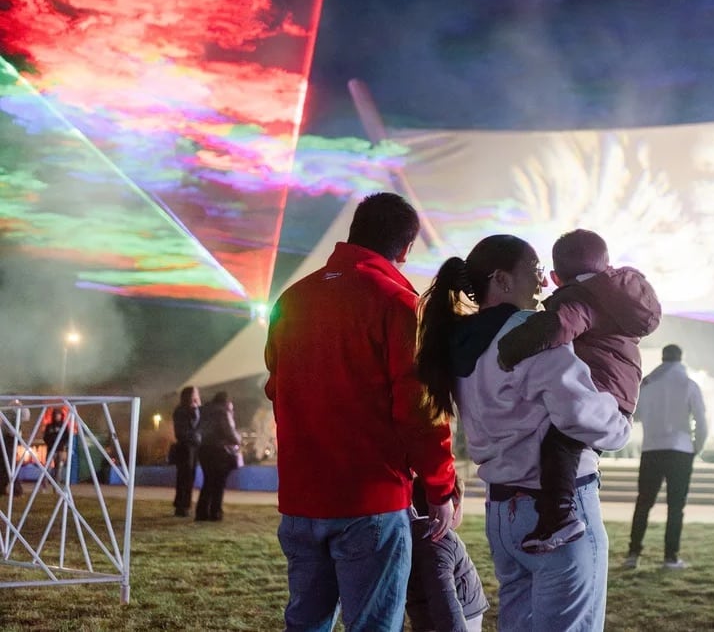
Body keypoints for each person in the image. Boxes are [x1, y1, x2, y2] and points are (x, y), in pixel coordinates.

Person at [416, 234, 631, 631]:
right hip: (558, 511)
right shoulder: (529, 331)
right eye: (534, 270)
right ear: (501, 279)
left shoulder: (460, 340)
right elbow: (579, 411)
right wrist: (619, 425)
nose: (543, 281)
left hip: (503, 514)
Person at [265, 192, 459, 631]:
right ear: (405, 248)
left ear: (353, 232)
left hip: (300, 497)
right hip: (371, 498)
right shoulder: (398, 303)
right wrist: (440, 487)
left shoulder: (291, 299)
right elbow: (421, 410)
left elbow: (277, 388)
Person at [496, 229, 661, 552]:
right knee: (569, 444)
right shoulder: (617, 297)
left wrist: (511, 348)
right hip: (621, 389)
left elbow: (559, 325)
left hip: (601, 390)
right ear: (606, 265)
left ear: (556, 278)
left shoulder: (583, 298)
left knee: (559, 443)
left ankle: (560, 516)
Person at [624, 344, 707, 570]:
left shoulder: (648, 383)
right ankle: (671, 557)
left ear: (662, 358)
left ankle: (633, 553)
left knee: (643, 503)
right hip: (681, 450)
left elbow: (635, 415)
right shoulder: (689, 384)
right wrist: (696, 447)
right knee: (676, 506)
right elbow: (701, 421)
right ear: (681, 358)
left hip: (651, 449)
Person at [406, 478, 489, 632]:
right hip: (459, 622)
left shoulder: (422, 537)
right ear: (453, 507)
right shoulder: (437, 542)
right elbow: (442, 596)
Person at [194, 391, 240, 522]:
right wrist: (238, 439)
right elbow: (229, 432)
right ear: (226, 401)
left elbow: (197, 429)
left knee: (208, 481)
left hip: (203, 450)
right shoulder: (222, 412)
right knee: (219, 483)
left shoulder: (203, 411)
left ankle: (201, 512)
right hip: (219, 451)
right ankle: (215, 512)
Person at [171, 386, 201, 517]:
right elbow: (192, 426)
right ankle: (183, 506)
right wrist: (195, 410)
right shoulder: (183, 410)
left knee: (187, 476)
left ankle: (183, 505)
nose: (197, 395)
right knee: (186, 477)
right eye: (195, 393)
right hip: (186, 446)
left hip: (191, 446)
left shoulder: (185, 409)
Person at [43, 406, 70, 487]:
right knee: (47, 468)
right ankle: (45, 485)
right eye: (55, 415)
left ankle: (56, 486)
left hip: (60, 450)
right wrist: (50, 444)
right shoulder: (49, 426)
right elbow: (45, 437)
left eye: (58, 415)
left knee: (58, 469)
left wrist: (62, 446)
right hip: (51, 449)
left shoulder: (64, 426)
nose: (57, 416)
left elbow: (67, 437)